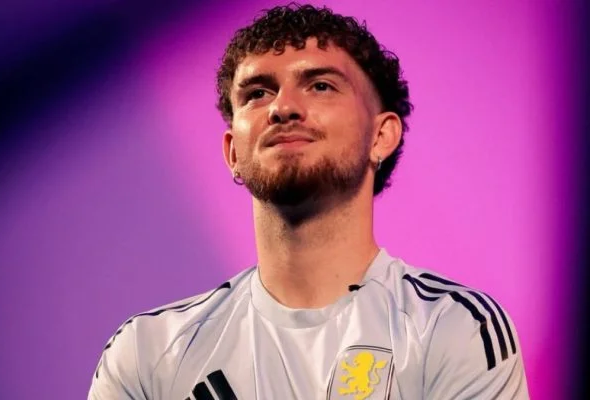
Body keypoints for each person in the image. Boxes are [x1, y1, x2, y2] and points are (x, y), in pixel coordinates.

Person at [88, 4, 528, 399]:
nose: (282, 108)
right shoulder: (148, 355)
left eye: (319, 85)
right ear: (233, 152)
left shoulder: (455, 327)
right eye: (257, 93)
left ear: (380, 136)